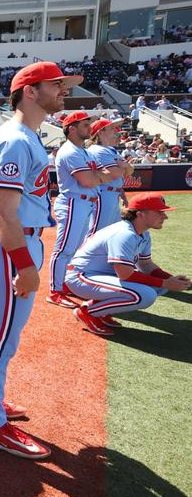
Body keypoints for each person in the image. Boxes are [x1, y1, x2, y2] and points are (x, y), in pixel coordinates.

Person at [0, 62, 80, 460]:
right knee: (1, 338)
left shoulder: (23, 136)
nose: (64, 90)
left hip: (4, 247)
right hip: (10, 247)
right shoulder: (15, 139)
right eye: (57, 84)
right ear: (30, 91)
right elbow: (4, 213)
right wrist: (26, 266)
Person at [66, 192, 189, 336]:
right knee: (146, 295)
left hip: (100, 276)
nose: (165, 216)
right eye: (159, 212)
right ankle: (88, 312)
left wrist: (172, 280)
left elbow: (146, 265)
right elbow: (125, 274)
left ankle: (102, 310)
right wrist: (165, 283)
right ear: (140, 214)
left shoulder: (143, 233)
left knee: (160, 286)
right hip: (81, 277)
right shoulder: (124, 234)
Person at [46, 111, 123, 308]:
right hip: (73, 202)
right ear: (72, 129)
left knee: (74, 249)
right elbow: (89, 180)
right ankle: (55, 291)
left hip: (84, 202)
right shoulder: (70, 151)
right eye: (85, 125)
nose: (90, 128)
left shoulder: (85, 151)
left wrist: (99, 175)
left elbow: (108, 174)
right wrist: (100, 175)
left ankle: (65, 284)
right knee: (64, 249)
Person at [87, 119, 133, 231]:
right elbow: (116, 173)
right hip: (103, 195)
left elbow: (130, 171)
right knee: (97, 233)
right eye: (111, 128)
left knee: (111, 233)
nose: (115, 130)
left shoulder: (110, 150)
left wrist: (124, 165)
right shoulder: (97, 150)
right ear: (100, 132)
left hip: (113, 194)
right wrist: (125, 167)